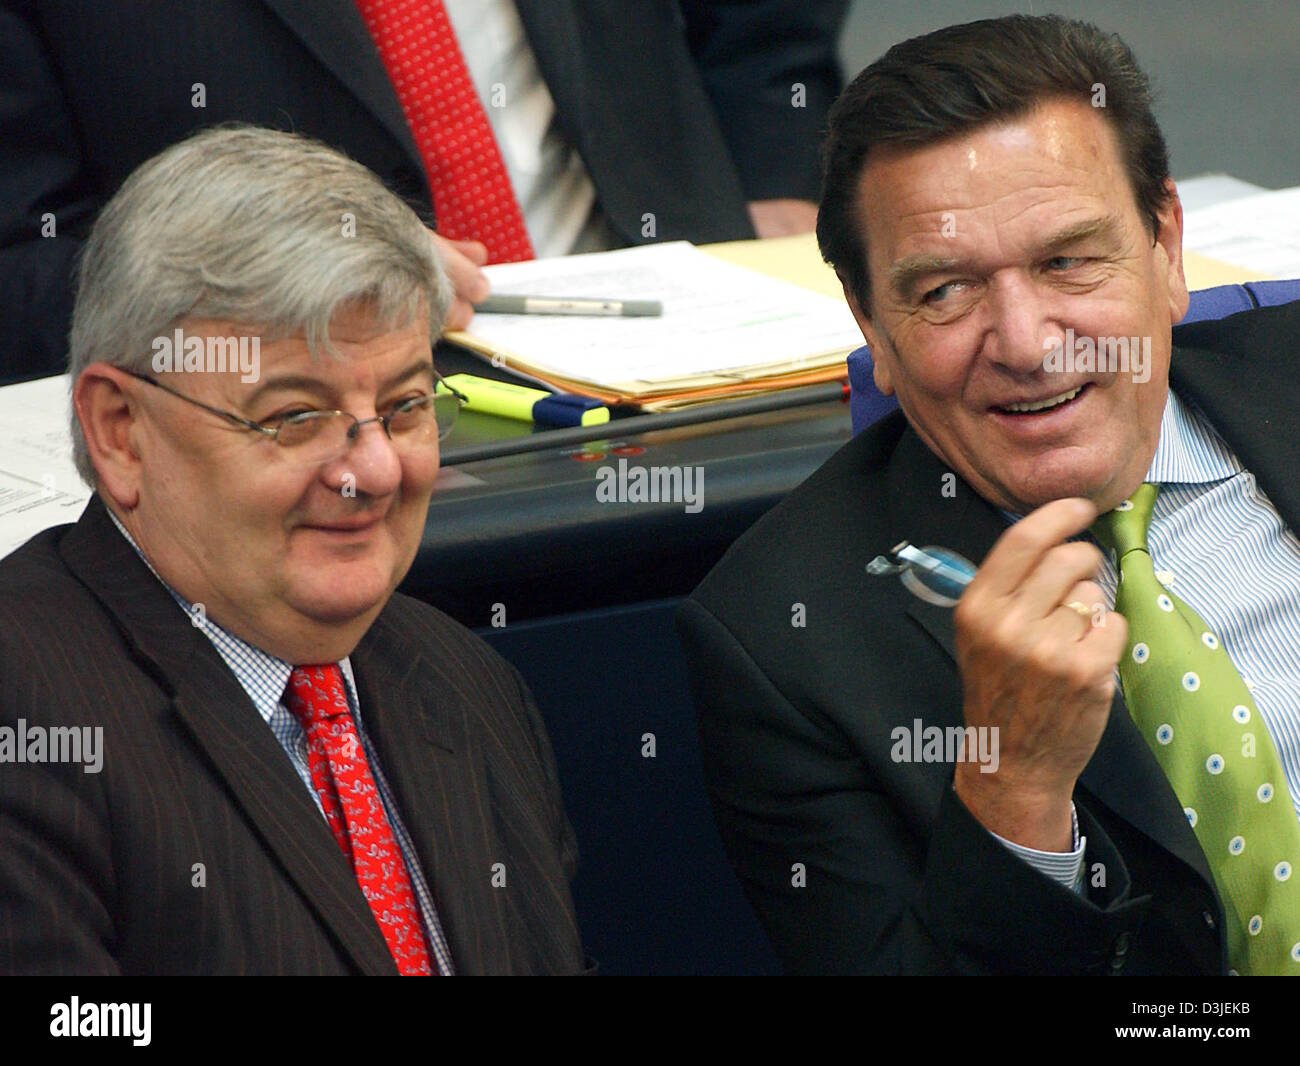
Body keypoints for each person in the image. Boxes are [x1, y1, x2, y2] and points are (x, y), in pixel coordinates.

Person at [677, 14, 1300, 975]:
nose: (1026, 341)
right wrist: (1012, 788)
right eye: (945, 292)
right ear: (872, 327)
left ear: (1167, 246)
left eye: (1066, 260)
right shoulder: (783, 643)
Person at [0, 125, 587, 975]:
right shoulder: (26, 714)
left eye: (407, 406)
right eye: (294, 418)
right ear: (122, 433)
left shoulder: (460, 680)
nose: (376, 469)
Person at [0, 0, 847, 382]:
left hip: (697, 339)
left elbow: (764, 23)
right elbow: (20, 266)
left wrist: (772, 161)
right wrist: (262, 281)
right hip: (302, 424)